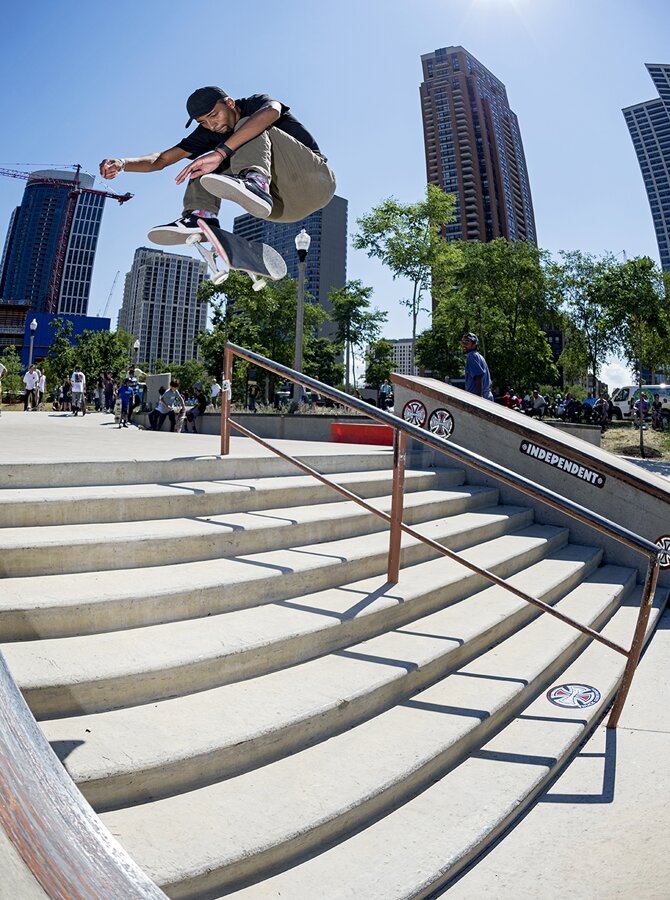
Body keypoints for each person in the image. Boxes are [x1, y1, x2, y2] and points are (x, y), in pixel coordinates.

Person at [99, 85, 336, 245]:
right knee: (202, 165)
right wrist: (122, 163)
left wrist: (221, 152)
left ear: (230, 103)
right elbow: (161, 159)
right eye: (204, 122)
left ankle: (256, 182)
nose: (211, 126)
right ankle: (201, 217)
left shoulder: (255, 104)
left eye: (214, 116)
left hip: (314, 179)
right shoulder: (207, 132)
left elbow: (271, 113)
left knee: (245, 127)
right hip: (282, 208)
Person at [461, 333, 494, 401]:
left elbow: (478, 378)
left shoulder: (471, 356)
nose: (464, 345)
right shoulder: (479, 356)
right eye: (463, 342)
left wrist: (479, 400)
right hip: (487, 396)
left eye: (467, 343)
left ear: (474, 345)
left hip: (480, 398)